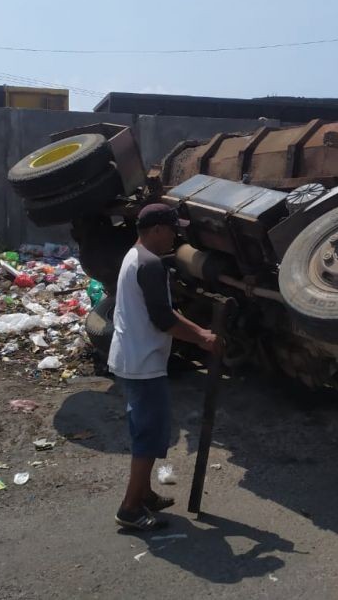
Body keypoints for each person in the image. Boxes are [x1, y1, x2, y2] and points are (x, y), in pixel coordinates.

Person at [108, 203, 220, 531]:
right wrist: (203, 338)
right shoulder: (152, 265)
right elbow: (163, 319)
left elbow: (163, 309)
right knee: (149, 435)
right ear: (157, 229)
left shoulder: (135, 256)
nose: (176, 236)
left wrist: (200, 334)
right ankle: (130, 508)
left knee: (149, 431)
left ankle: (144, 494)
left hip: (133, 356)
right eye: (172, 229)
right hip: (143, 362)